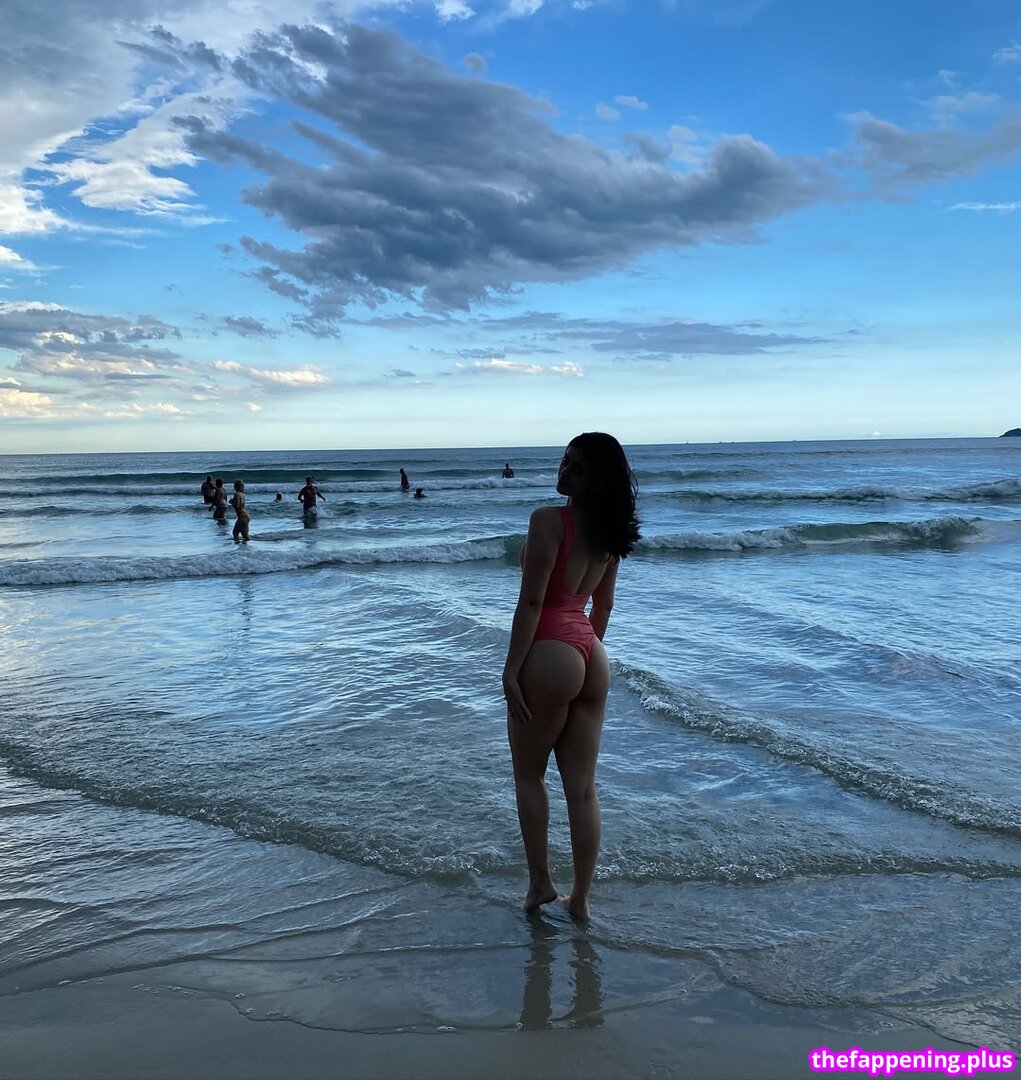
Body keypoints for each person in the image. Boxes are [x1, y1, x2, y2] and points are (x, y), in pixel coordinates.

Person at [503, 433, 640, 921]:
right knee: (582, 789)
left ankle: (540, 885)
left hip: (549, 650)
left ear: (597, 479)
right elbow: (603, 606)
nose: (564, 471)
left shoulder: (548, 521)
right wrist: (582, 657)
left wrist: (511, 670)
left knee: (529, 774)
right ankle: (580, 898)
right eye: (564, 460)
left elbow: (533, 602)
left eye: (577, 467)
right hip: (591, 653)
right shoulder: (609, 534)